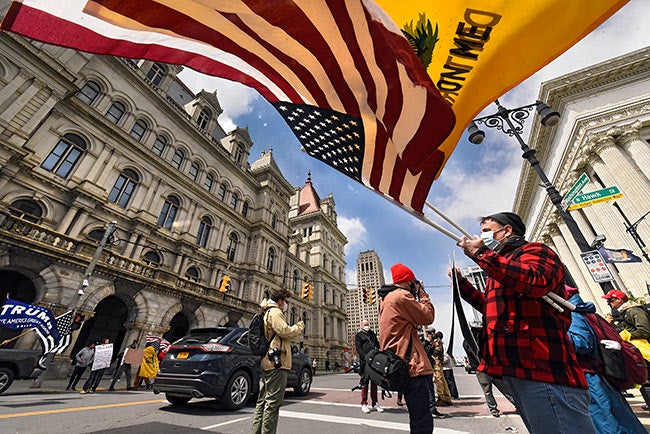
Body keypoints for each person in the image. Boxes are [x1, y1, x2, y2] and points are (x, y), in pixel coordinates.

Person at [452, 211, 594, 434]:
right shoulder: (500, 266)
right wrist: (463, 286)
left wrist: (481, 253)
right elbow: (493, 309)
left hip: (543, 368)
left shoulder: (535, 251)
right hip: (518, 368)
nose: (481, 236)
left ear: (507, 231)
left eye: (487, 231)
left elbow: (535, 280)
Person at [568, 286, 646, 433]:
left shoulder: (572, 314)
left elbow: (583, 343)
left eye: (611, 300)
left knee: (608, 421)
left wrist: (558, 335)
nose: (609, 303)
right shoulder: (582, 312)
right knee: (615, 418)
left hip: (591, 376)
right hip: (596, 374)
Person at [378, 263, 435, 434]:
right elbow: (427, 316)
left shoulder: (387, 299)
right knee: (422, 419)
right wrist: (423, 295)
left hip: (401, 363)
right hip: (412, 366)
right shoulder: (401, 296)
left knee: (417, 418)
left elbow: (412, 322)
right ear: (409, 281)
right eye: (414, 282)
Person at [252, 289, 304, 434]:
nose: (286, 304)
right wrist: (299, 326)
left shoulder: (268, 311)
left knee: (263, 402)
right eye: (286, 301)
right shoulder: (275, 312)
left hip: (268, 361)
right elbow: (285, 331)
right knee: (272, 404)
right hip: (276, 363)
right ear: (280, 300)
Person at [602, 289, 650, 410]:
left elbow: (644, 330)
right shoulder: (622, 313)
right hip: (638, 350)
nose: (609, 303)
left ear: (620, 299)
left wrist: (624, 334)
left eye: (611, 300)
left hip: (644, 349)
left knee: (647, 379)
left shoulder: (633, 310)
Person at [354, 319, 383, 413]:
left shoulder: (372, 334)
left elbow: (377, 345)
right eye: (365, 324)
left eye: (367, 324)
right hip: (365, 362)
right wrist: (366, 357)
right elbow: (359, 349)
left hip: (374, 362)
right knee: (365, 383)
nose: (367, 326)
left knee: (374, 383)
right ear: (361, 326)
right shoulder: (358, 336)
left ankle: (375, 403)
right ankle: (364, 403)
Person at [429, 330, 452, 406]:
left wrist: (431, 347)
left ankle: (441, 397)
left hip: (437, 363)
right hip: (438, 363)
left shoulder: (437, 342)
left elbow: (437, 351)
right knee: (442, 380)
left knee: (439, 380)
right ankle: (446, 397)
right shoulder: (438, 342)